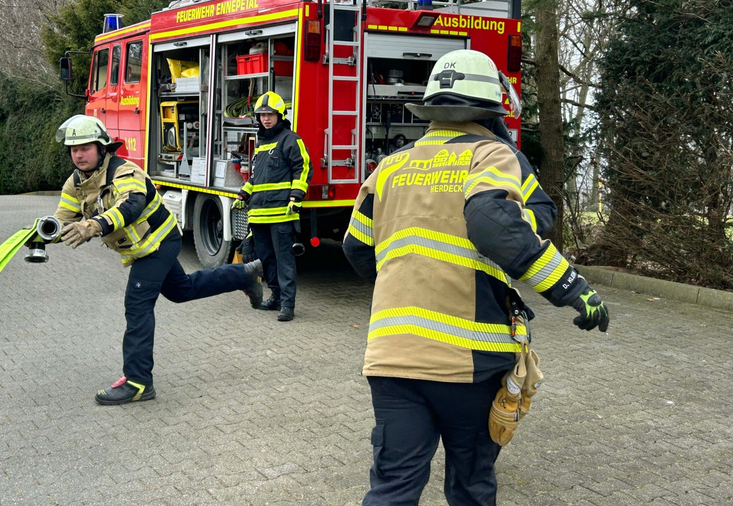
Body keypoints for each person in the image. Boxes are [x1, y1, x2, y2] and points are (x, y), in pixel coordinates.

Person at [342, 50, 609, 505]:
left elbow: (355, 248)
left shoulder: (389, 166)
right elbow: (493, 225)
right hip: (468, 361)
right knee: (470, 485)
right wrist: (573, 289)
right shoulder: (492, 154)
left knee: (392, 487)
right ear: (492, 109)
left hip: (391, 357)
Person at [48, 115, 263, 405]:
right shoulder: (76, 183)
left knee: (137, 304)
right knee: (181, 290)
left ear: (102, 148)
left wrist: (94, 225)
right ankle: (244, 275)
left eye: (85, 147)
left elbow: (132, 205)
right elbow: (61, 221)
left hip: (161, 242)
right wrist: (41, 234)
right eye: (74, 149)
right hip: (142, 248)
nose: (78, 154)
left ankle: (138, 382)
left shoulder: (123, 172)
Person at [233, 92, 313, 322]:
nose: (266, 119)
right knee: (267, 260)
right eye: (262, 115)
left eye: (270, 115)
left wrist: (296, 196)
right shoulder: (261, 143)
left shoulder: (291, 139)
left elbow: (304, 168)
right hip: (259, 214)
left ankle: (288, 305)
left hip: (280, 213)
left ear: (280, 115)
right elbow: (257, 177)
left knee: (284, 260)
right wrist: (243, 193)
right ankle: (275, 298)